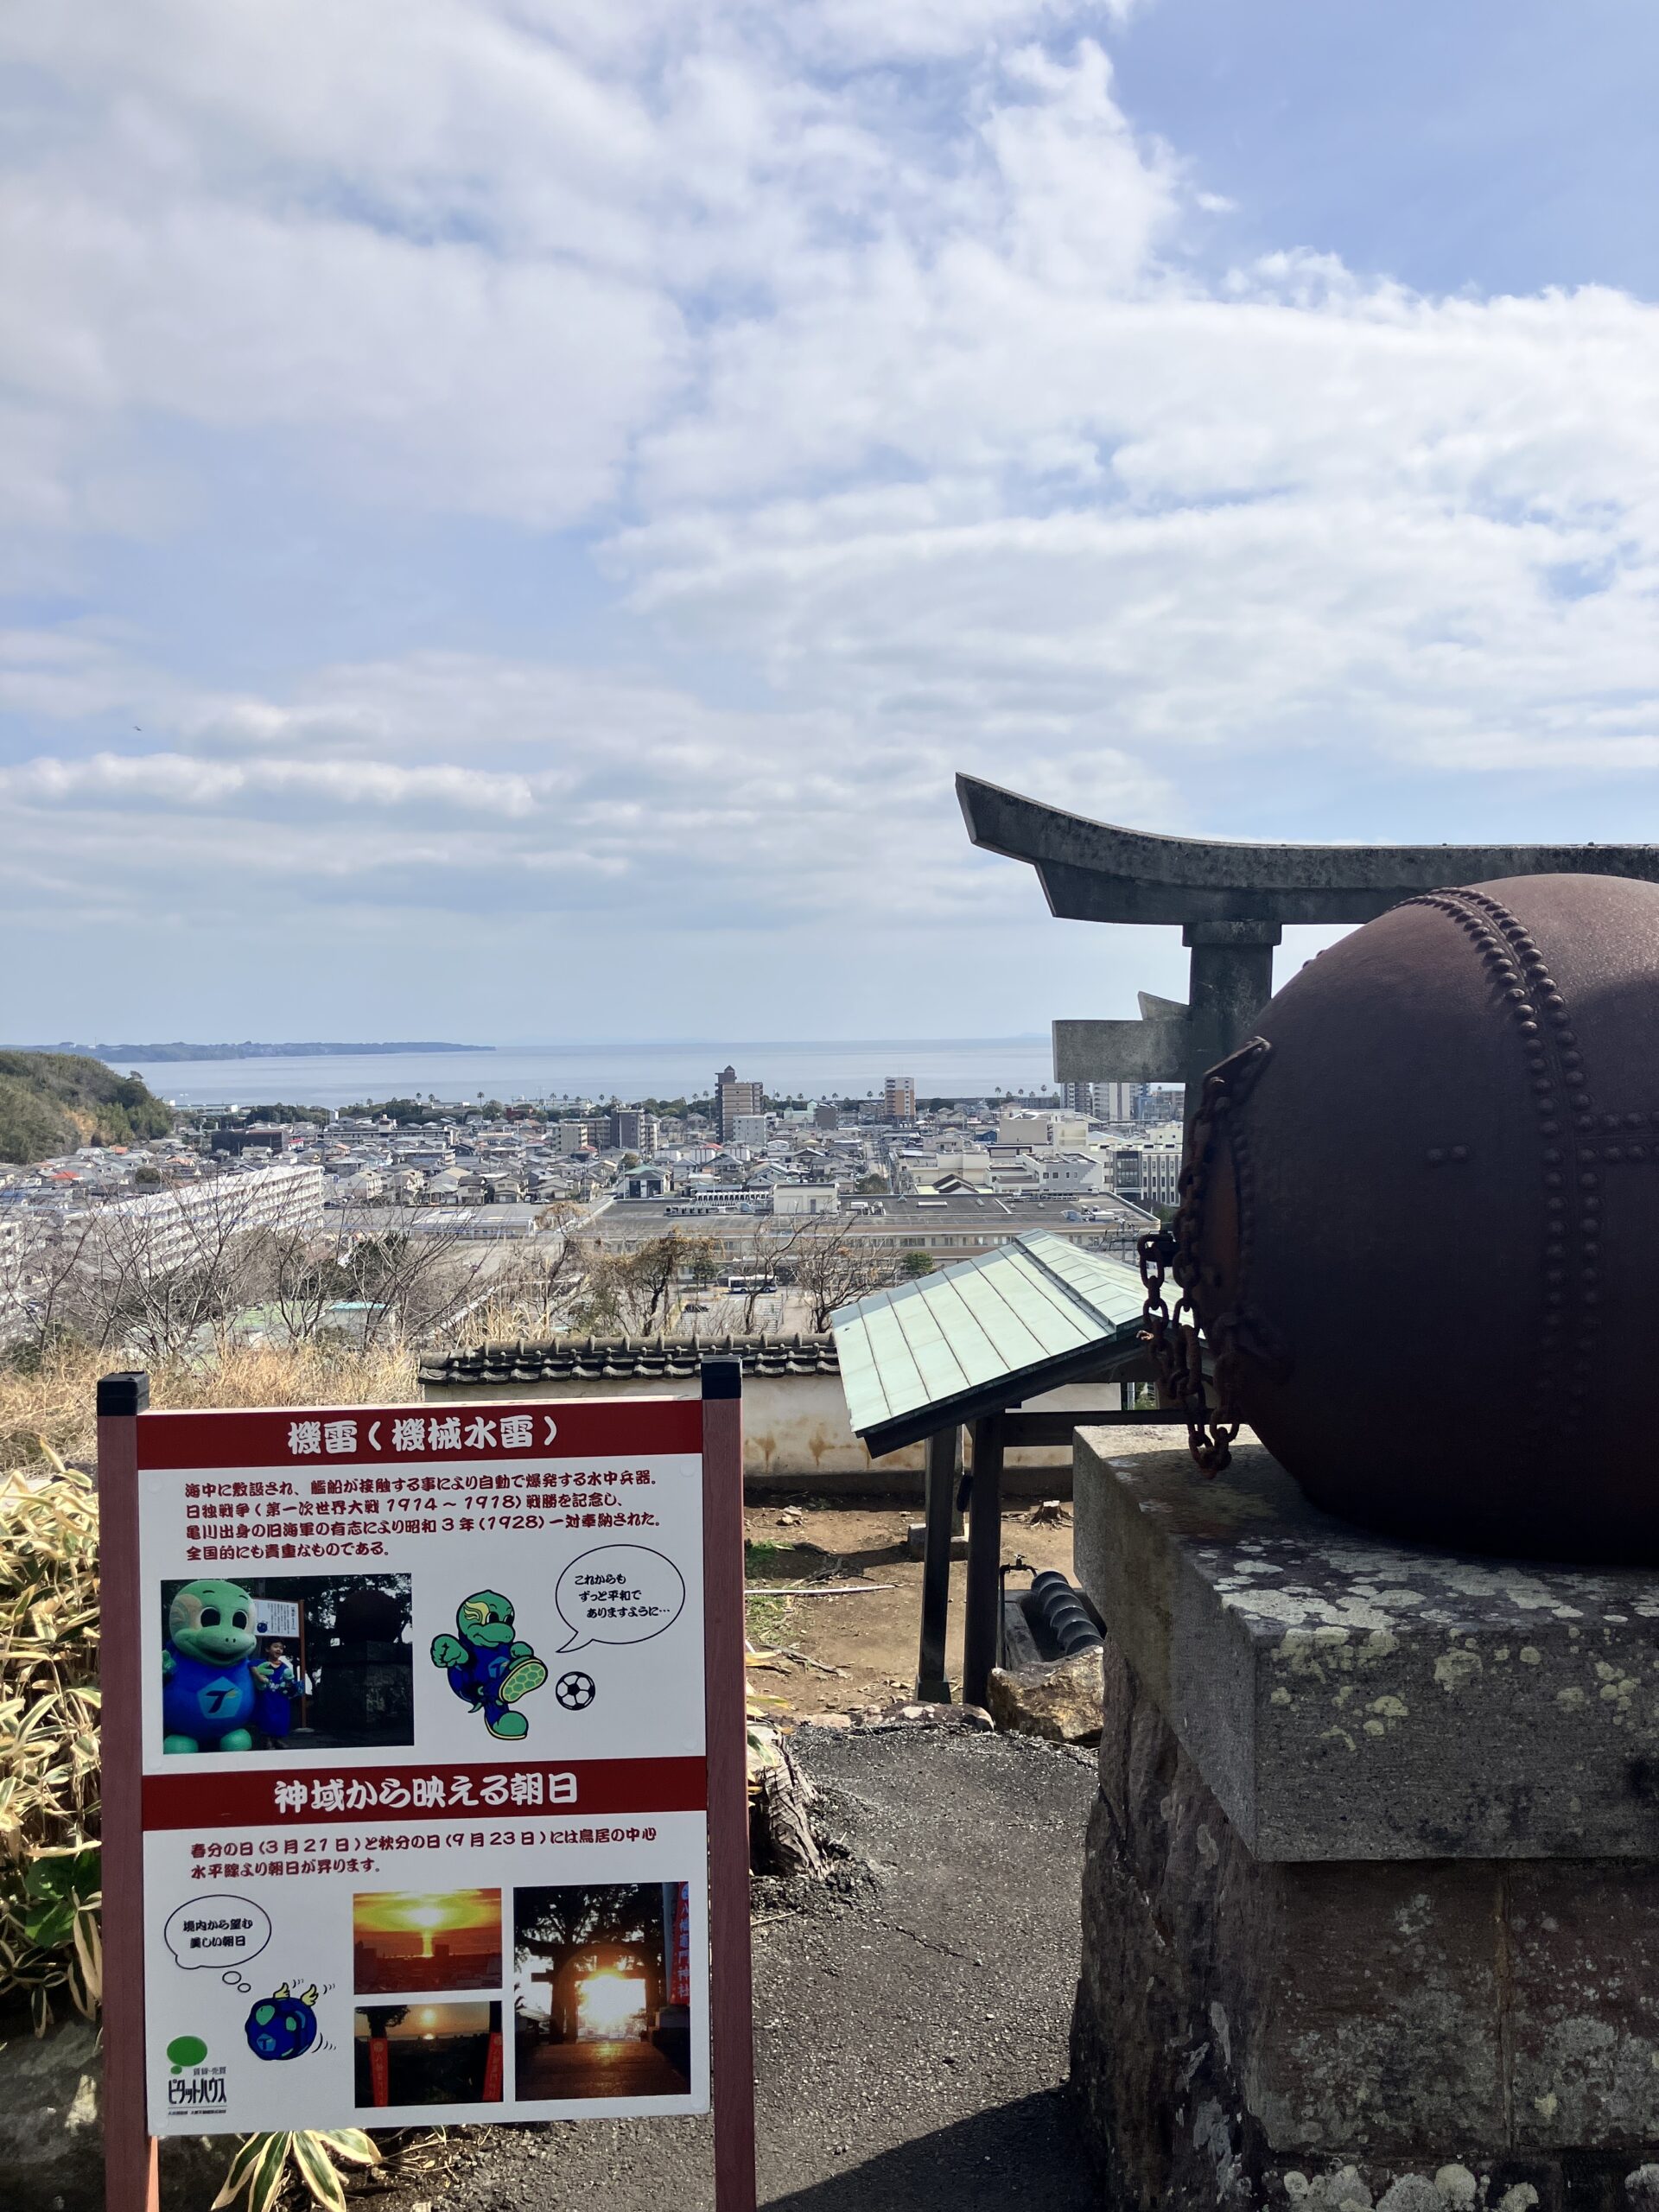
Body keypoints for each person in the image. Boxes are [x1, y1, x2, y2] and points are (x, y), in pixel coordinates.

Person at [252, 1637, 298, 1750]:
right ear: (268, 1649)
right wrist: (258, 1676)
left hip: (281, 1698)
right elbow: (251, 1665)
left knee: (282, 1718)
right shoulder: (262, 1663)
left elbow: (290, 1680)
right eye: (276, 1646)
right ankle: (267, 1740)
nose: (279, 1649)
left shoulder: (285, 1667)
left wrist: (292, 1686)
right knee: (267, 1717)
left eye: (281, 1648)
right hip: (267, 1697)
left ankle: (278, 1739)